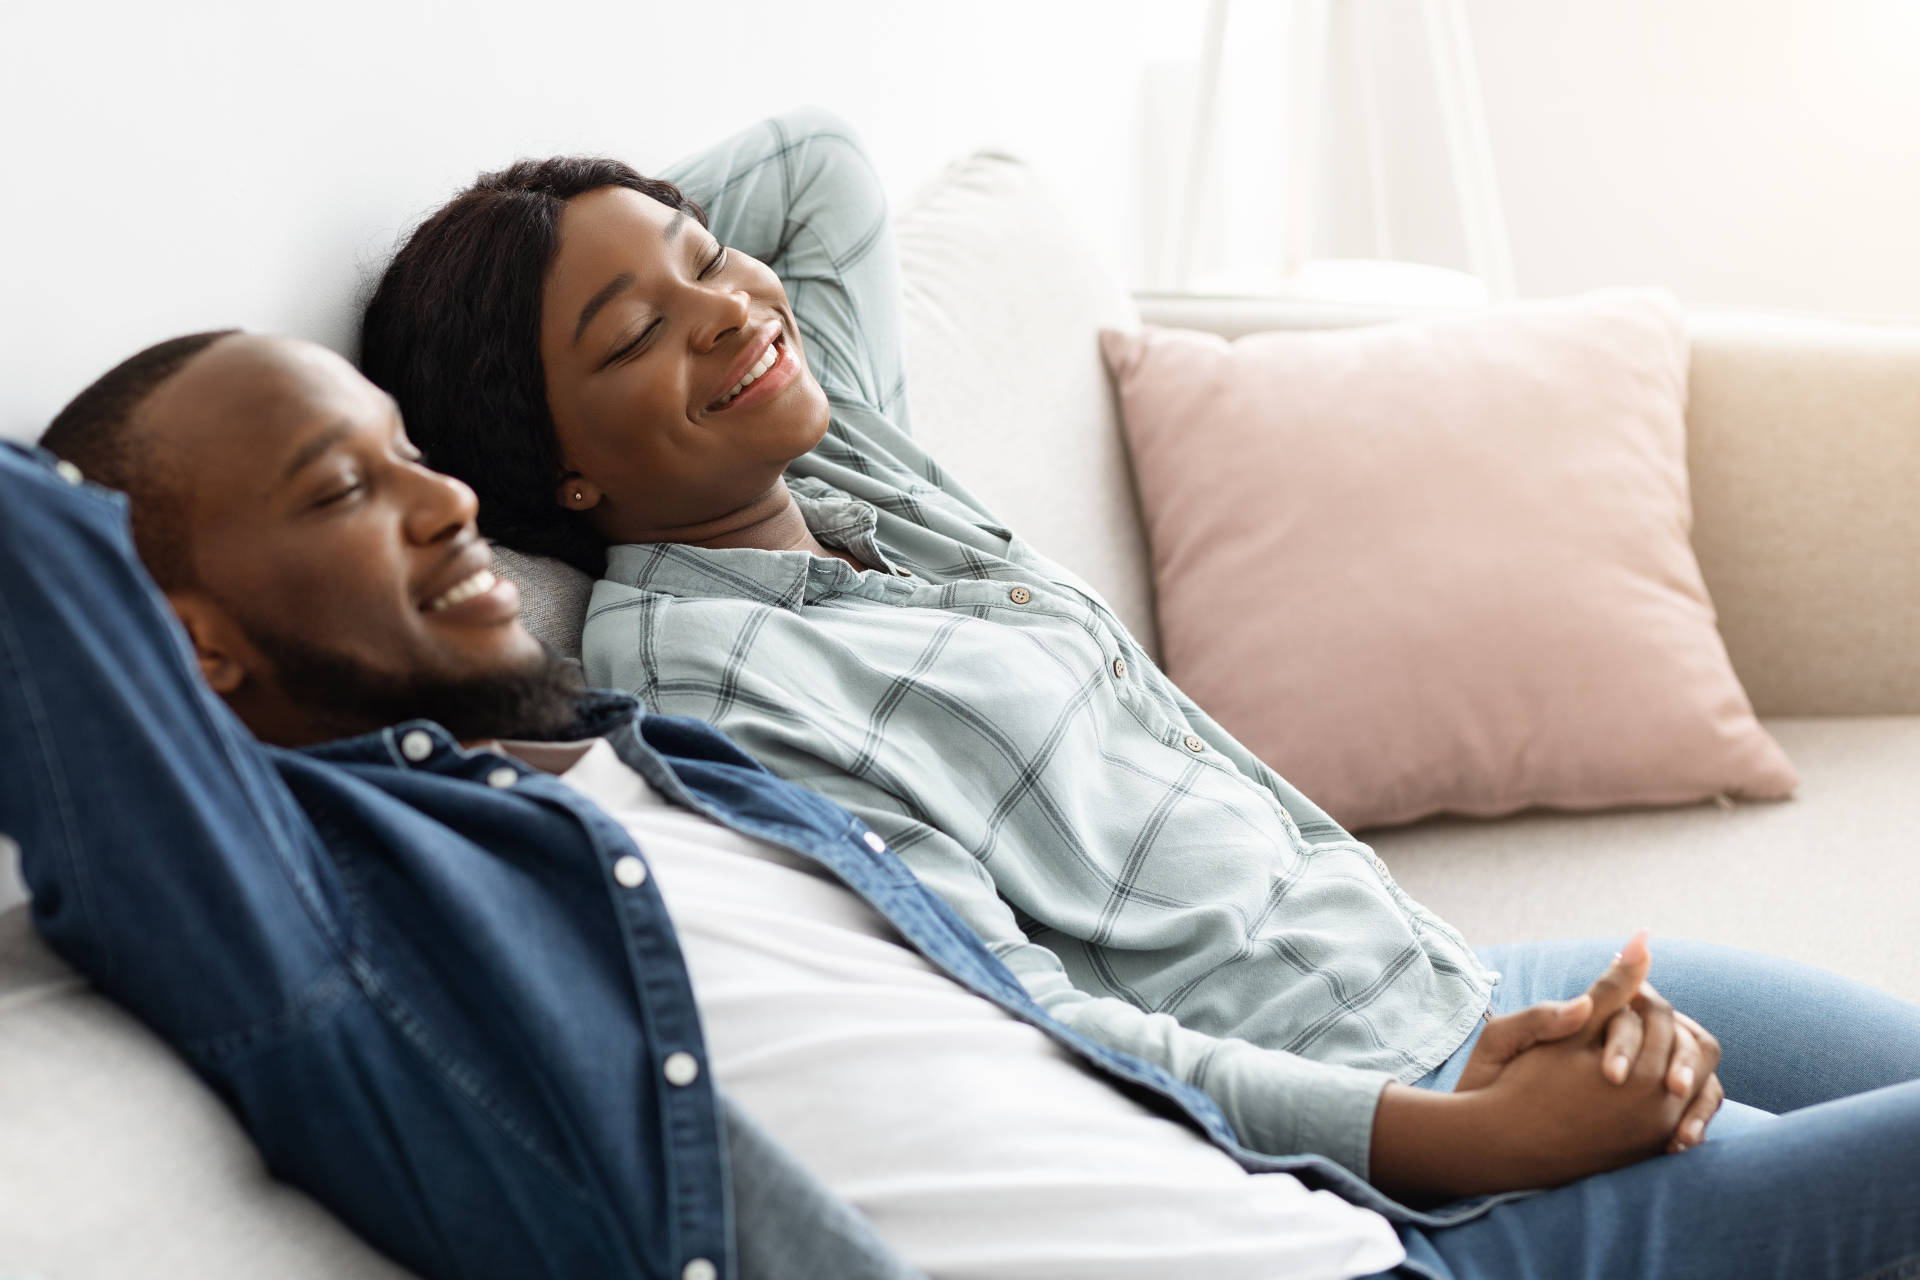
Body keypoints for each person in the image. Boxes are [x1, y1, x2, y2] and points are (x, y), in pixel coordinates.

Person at [10, 331, 1920, 1278]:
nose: (443, 504)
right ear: (189, 654)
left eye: (420, 454)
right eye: (344, 495)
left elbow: (1061, 1036)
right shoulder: (349, 911)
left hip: (1360, 1221)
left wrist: (1438, 1130)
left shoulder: (671, 767)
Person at [357, 107, 1920, 1184]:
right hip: (1398, 1122)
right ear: (558, 472)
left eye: (705, 255)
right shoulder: (708, 693)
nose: (727, 309)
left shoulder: (837, 464)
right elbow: (1029, 1019)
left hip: (1446, 966)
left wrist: (567, 231)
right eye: (632, 336)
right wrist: (1454, 1137)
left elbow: (809, 163)